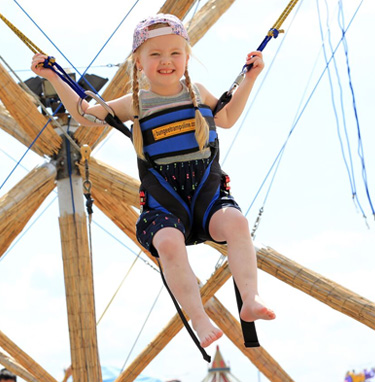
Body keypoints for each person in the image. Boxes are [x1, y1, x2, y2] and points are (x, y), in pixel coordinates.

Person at [31, 13, 275, 348]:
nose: (166, 61)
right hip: (165, 201)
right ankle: (199, 318)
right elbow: (85, 113)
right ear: (139, 63)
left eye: (175, 53)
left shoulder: (199, 93)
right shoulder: (136, 104)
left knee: (236, 222)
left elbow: (228, 116)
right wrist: (53, 76)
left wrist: (249, 78)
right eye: (155, 54)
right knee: (169, 244)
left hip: (206, 195)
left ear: (187, 58)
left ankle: (250, 297)